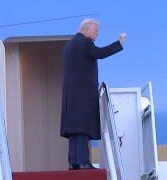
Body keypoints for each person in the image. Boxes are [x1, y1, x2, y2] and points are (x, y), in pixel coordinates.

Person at [60, 18, 126, 170]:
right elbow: (100, 53)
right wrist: (119, 43)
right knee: (83, 128)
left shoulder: (69, 45)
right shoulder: (85, 42)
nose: (97, 34)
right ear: (86, 29)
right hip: (83, 94)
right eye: (96, 30)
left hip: (71, 95)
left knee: (74, 130)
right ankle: (83, 162)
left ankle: (74, 162)